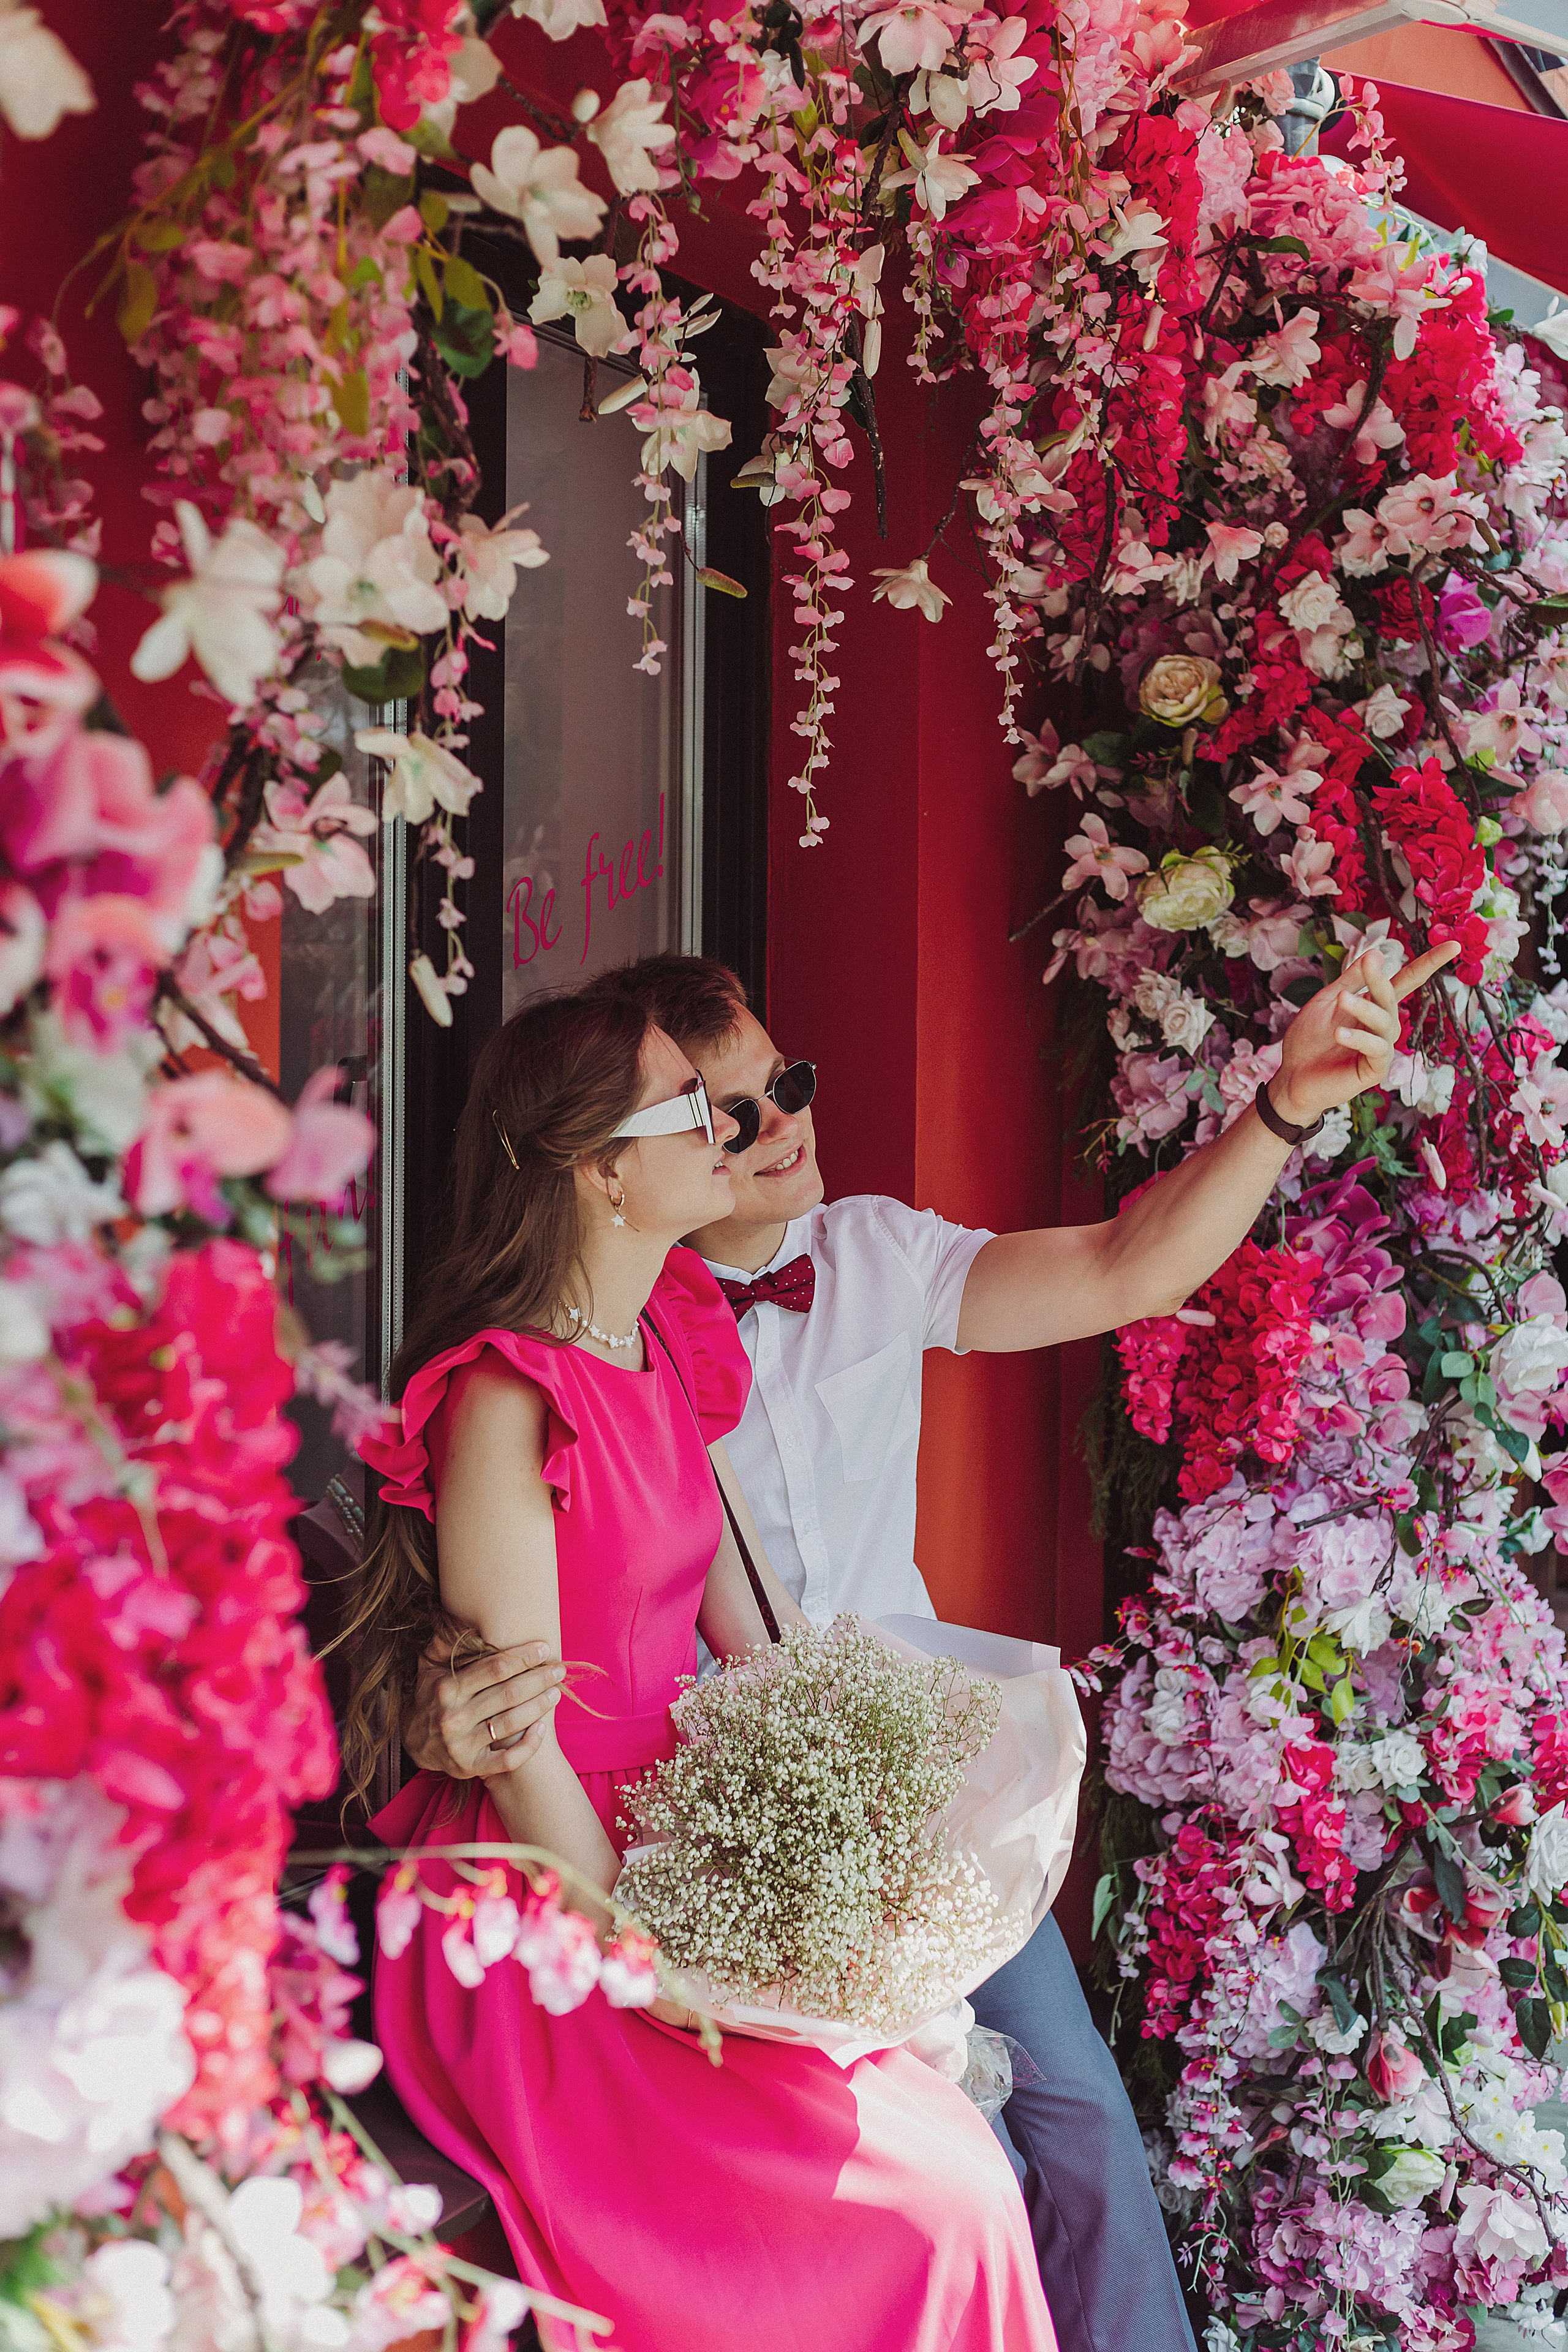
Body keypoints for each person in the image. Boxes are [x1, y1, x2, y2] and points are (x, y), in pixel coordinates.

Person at [406, 933, 1457, 2352]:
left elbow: (1123, 1267)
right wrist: (446, 1715)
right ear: (614, 1162)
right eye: (723, 1112)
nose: (772, 1128)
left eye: (784, 1087)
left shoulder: (848, 1267)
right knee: (952, 2167)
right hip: (680, 1822)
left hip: (873, 1782)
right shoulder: (579, 1354)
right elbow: (502, 1650)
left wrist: (1281, 1103)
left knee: (1072, 2114)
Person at [346, 989, 1057, 2352]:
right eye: (691, 1107)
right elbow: (517, 1742)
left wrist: (860, 1851)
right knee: (931, 2212)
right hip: (550, 1897)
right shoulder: (508, 1394)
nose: (729, 1126)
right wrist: (657, 1967)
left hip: (684, 1837)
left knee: (962, 2165)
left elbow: (759, 1637)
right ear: (602, 1170)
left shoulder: (663, 1343)